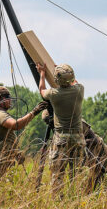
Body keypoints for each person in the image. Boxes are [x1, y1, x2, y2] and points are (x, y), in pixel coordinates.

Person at [36, 63, 86, 197]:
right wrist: (63, 70)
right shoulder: (79, 90)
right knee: (77, 173)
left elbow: (42, 90)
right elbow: (75, 82)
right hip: (78, 138)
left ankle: (58, 201)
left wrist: (42, 73)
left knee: (57, 174)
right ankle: (77, 199)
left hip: (61, 139)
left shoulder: (54, 94)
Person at [41, 109, 107, 192]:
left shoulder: (75, 122)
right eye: (47, 123)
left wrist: (76, 142)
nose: (50, 125)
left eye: (50, 122)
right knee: (89, 187)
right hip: (87, 154)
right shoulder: (59, 129)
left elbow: (94, 140)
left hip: (99, 151)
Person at [0, 85, 48, 177]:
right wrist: (34, 112)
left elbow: (5, 139)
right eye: (7, 97)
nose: (10, 100)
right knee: (0, 188)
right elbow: (16, 125)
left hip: (2, 158)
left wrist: (16, 153)